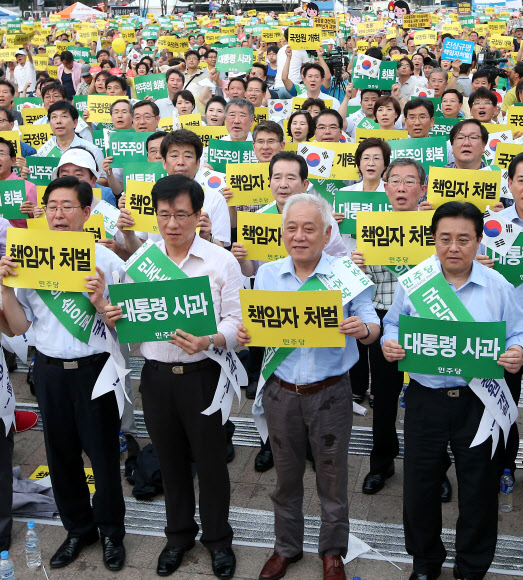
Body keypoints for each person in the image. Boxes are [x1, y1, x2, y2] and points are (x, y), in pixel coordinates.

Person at [237, 193, 380, 580]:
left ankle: (333, 551)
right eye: (291, 228)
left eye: (309, 228)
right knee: (285, 477)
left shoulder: (345, 274)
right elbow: (254, 328)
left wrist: (363, 329)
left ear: (327, 232)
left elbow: (373, 325)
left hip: (331, 393)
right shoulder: (267, 274)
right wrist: (246, 332)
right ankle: (286, 547)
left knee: (332, 478)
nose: (299, 236)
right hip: (282, 391)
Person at [106, 174, 241, 580]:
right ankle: (178, 536)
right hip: (156, 377)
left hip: (204, 375)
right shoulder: (143, 262)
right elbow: (129, 315)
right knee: (170, 460)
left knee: (212, 463)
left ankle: (218, 540)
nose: (172, 224)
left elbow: (237, 323)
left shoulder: (221, 261)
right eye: (164, 214)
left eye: (181, 214)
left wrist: (210, 339)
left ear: (197, 215)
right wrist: (114, 316)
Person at [382, 201, 523, 580]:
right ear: (433, 239)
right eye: (445, 238)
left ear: (479, 241)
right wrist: (390, 344)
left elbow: (517, 332)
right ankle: (426, 562)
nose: (453, 247)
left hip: (479, 401)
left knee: (478, 489)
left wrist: (517, 352)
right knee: (420, 488)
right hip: (426, 398)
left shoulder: (498, 287)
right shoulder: (416, 282)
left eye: (464, 239)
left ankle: (471, 567)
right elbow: (394, 324)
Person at [0, 176, 126, 571]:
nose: (58, 213)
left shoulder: (107, 261)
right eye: (52, 205)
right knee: (61, 455)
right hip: (50, 371)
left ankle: (110, 532)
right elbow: (19, 327)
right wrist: (4, 289)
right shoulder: (27, 258)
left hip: (96, 371)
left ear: (86, 212)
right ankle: (78, 529)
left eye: (68, 206)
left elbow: (130, 327)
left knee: (103, 456)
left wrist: (102, 300)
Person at [477, 151, 523, 480]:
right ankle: (503, 463)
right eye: (522, 180)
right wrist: (477, 264)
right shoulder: (495, 225)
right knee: (504, 398)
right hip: (505, 329)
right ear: (510, 183)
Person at [0, 137, 37, 229]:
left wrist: (34, 214)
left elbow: (37, 226)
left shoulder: (28, 187)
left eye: (1, 153)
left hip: (16, 240)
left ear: (13, 161)